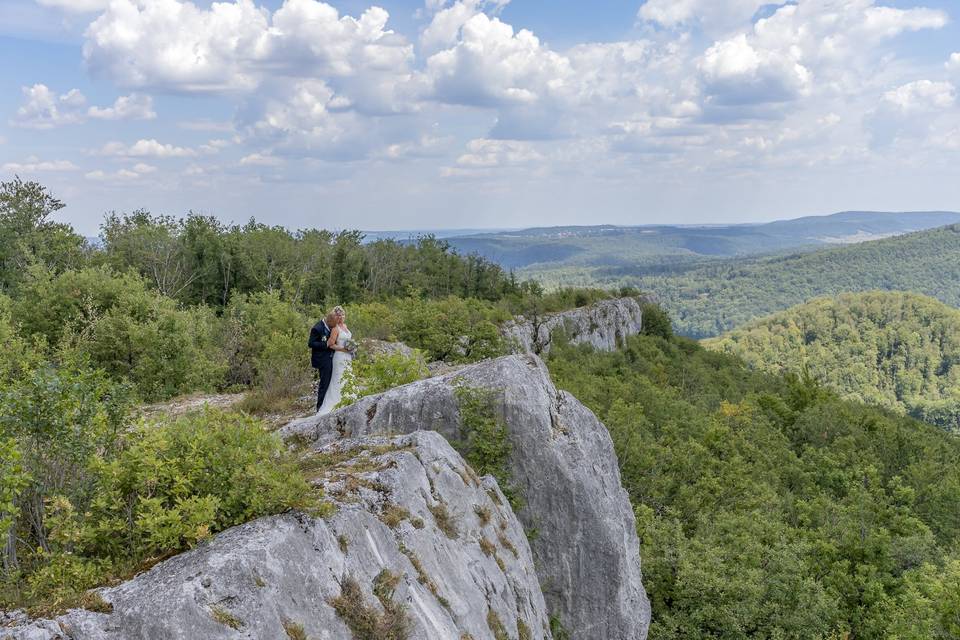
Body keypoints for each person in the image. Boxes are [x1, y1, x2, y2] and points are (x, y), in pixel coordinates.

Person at [314, 306, 354, 415]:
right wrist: (344, 349)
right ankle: (336, 402)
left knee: (348, 376)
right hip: (339, 356)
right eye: (338, 315)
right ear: (335, 317)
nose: (341, 317)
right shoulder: (335, 329)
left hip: (347, 357)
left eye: (342, 315)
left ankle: (349, 397)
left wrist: (352, 347)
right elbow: (331, 345)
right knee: (339, 378)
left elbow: (348, 340)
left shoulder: (345, 326)